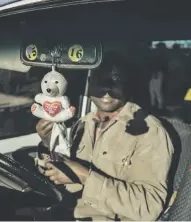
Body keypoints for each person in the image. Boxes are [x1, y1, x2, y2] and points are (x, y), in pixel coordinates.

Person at [35, 52, 174, 221]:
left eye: (115, 79)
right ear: (89, 82)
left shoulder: (149, 132)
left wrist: (85, 177)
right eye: (100, 79)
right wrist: (48, 142)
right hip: (66, 212)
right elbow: (59, 174)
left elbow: (148, 208)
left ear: (128, 83)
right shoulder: (83, 123)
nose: (107, 89)